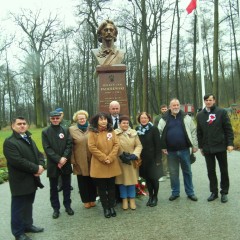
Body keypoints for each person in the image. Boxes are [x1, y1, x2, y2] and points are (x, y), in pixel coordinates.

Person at [3, 116, 45, 240]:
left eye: (24, 123)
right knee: (18, 207)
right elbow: (18, 161)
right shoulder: (10, 142)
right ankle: (18, 232)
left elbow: (39, 154)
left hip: (31, 179)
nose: (22, 126)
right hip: (20, 181)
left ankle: (28, 225)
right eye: (19, 124)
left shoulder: (28, 138)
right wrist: (36, 169)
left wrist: (42, 165)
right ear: (13, 126)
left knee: (28, 204)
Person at [158, 98, 198, 202]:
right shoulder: (164, 119)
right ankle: (175, 192)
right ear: (170, 107)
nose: (175, 107)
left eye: (177, 105)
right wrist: (163, 147)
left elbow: (193, 131)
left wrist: (194, 145)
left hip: (185, 150)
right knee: (173, 173)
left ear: (179, 106)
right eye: (173, 105)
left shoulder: (186, 117)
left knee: (187, 172)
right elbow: (160, 133)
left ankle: (190, 192)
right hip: (171, 152)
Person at [196, 94, 234, 203]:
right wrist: (201, 147)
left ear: (214, 101)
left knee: (223, 170)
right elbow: (199, 132)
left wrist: (230, 143)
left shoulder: (221, 112)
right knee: (211, 171)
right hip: (208, 148)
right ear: (204, 101)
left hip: (220, 146)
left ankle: (224, 192)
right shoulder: (200, 115)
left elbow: (228, 129)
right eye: (206, 100)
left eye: (210, 100)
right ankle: (214, 192)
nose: (208, 102)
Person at [88, 112, 121, 218]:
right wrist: (104, 158)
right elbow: (92, 147)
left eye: (105, 119)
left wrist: (110, 157)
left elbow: (116, 144)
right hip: (99, 164)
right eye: (101, 119)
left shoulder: (111, 131)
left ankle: (112, 207)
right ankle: (105, 208)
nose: (103, 121)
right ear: (97, 121)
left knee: (112, 187)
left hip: (111, 163)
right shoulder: (92, 132)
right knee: (102, 188)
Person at [42, 111, 74, 219]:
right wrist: (58, 159)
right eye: (53, 118)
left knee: (66, 186)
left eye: (57, 118)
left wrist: (64, 158)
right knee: (53, 188)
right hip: (53, 164)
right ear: (50, 119)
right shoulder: (45, 132)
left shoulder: (65, 130)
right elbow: (47, 148)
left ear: (60, 118)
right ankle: (56, 209)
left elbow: (69, 145)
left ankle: (68, 206)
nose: (55, 120)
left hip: (65, 163)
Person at [69, 110, 97, 208]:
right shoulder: (72, 130)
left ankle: (93, 198)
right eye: (80, 118)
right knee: (82, 181)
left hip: (92, 158)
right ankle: (85, 200)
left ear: (86, 118)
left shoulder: (92, 128)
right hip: (79, 159)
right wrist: (72, 160)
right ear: (77, 119)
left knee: (93, 180)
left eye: (83, 118)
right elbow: (70, 146)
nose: (82, 120)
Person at [115, 115, 142, 210]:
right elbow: (113, 146)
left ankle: (132, 199)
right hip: (120, 160)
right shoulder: (115, 133)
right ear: (119, 124)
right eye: (123, 123)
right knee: (122, 181)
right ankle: (124, 200)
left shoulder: (134, 133)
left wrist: (135, 155)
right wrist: (121, 155)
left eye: (127, 123)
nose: (125, 124)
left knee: (131, 181)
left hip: (131, 160)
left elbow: (139, 145)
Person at [136, 112, 162, 207]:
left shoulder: (153, 129)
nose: (143, 119)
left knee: (154, 178)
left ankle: (155, 197)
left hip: (153, 159)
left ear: (149, 119)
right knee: (147, 179)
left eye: (145, 118)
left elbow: (158, 145)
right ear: (139, 119)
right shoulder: (137, 129)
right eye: (142, 118)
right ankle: (150, 196)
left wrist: (158, 159)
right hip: (143, 159)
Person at [55, 107, 72, 192]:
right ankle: (59, 184)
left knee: (67, 167)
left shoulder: (67, 123)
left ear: (63, 114)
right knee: (59, 166)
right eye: (58, 113)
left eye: (61, 113)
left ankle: (68, 184)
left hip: (66, 147)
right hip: (58, 147)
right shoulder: (55, 122)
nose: (60, 115)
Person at [153, 104, 169, 182]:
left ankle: (170, 171)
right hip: (161, 139)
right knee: (164, 157)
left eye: (165, 109)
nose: (164, 110)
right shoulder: (157, 118)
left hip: (170, 139)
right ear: (160, 110)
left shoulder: (170, 116)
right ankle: (165, 172)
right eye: (163, 109)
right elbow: (155, 129)